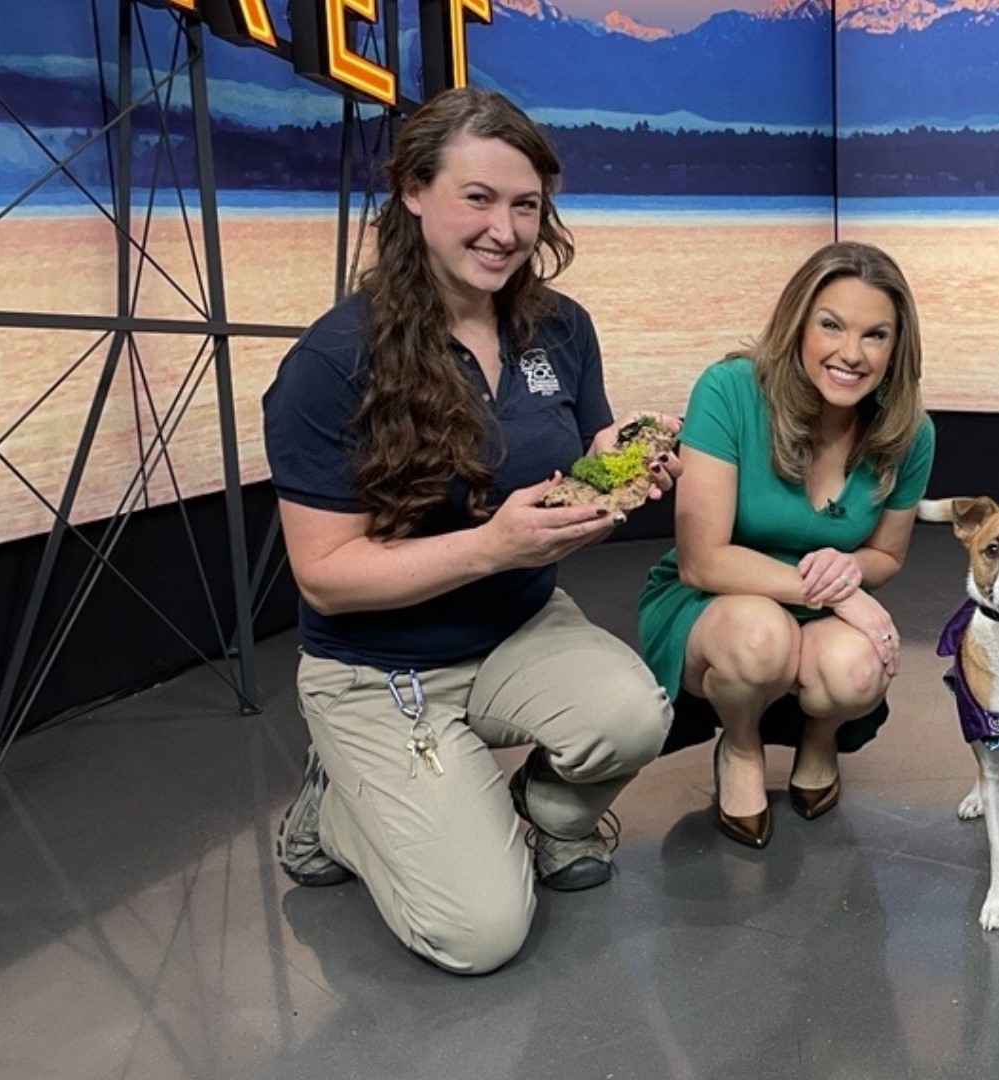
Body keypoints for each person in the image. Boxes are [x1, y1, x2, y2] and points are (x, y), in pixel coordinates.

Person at [261, 87, 675, 974]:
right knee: (481, 936)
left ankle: (544, 820)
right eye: (478, 199)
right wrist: (494, 545)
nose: (506, 229)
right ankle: (338, 808)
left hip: (519, 625)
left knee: (635, 717)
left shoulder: (559, 329)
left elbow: (566, 498)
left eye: (526, 205)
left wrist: (615, 474)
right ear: (413, 191)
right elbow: (326, 576)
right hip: (379, 669)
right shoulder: (334, 362)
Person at [637, 241, 935, 849]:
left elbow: (886, 556)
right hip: (713, 602)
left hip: (811, 607)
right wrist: (837, 595)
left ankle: (818, 737)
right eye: (831, 325)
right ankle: (741, 744)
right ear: (798, 322)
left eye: (875, 335)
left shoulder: (910, 431)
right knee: (759, 637)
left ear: (897, 347)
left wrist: (848, 569)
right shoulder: (729, 390)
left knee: (858, 671)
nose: (851, 354)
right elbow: (702, 559)